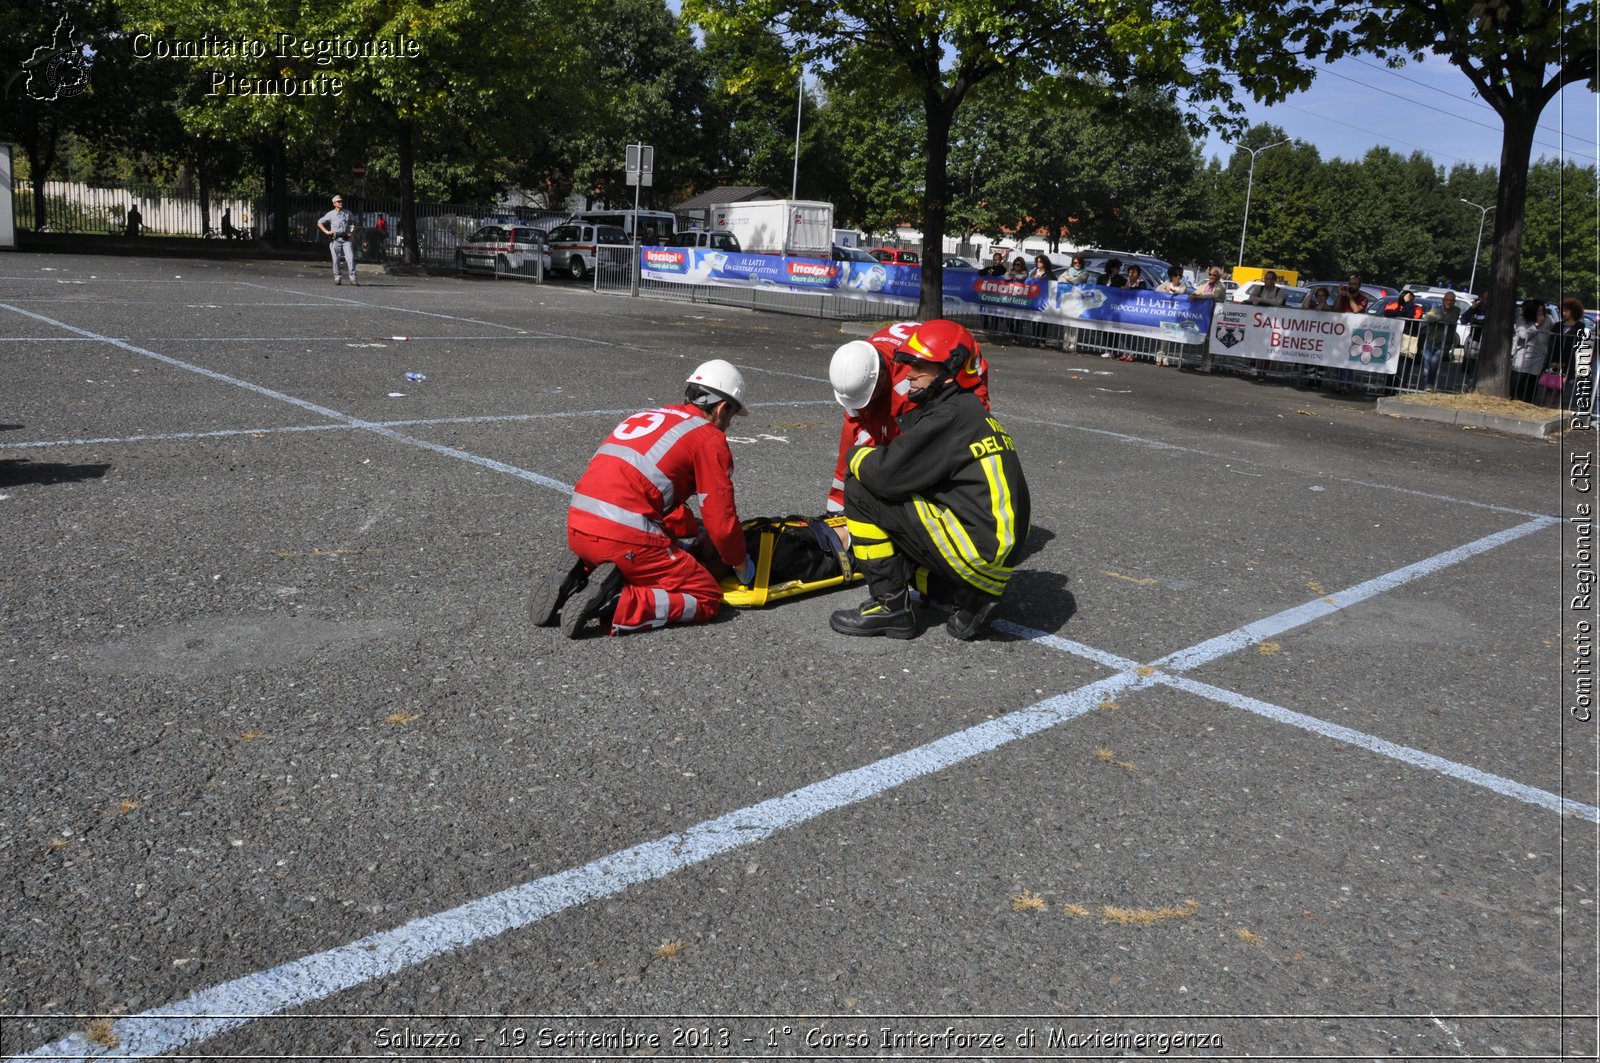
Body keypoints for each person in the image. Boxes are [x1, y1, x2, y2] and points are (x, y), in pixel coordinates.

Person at [830, 322, 1031, 642]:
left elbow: (886, 475)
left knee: (863, 489)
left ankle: (890, 606)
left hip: (977, 550)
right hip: (994, 558)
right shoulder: (967, 412)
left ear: (949, 372)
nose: (909, 374)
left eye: (921, 367)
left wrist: (856, 456)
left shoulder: (947, 418)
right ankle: (967, 597)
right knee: (900, 543)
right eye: (910, 364)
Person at [533, 360, 756, 638]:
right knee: (705, 596)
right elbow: (720, 521)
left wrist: (688, 530)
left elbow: (651, 490)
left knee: (646, 544)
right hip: (622, 535)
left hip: (579, 524)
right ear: (722, 408)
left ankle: (580, 575)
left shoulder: (651, 416)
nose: (728, 426)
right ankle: (615, 603)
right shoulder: (708, 438)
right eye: (731, 417)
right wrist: (740, 563)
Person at [825, 321, 990, 516]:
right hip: (920, 354)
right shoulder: (858, 362)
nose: (867, 406)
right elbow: (852, 434)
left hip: (960, 363)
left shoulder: (910, 377)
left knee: (950, 440)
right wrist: (836, 506)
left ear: (880, 378)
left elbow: (920, 440)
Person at [1510, 299, 1554, 404]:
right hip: (1523, 357)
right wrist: (1537, 324)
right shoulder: (1522, 319)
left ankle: (1527, 404)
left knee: (1531, 387)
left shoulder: (1548, 319)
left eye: (1542, 311)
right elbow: (1524, 335)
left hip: (1538, 357)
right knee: (1517, 383)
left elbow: (1555, 329)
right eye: (1538, 311)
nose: (1541, 314)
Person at [1244, 270, 1287, 379]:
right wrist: (1259, 300)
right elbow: (1250, 299)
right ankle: (1252, 365)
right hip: (1258, 322)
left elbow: (1278, 302)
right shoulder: (1259, 288)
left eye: (1269, 279)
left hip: (1273, 324)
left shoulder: (1279, 291)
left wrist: (1261, 300)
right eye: (1265, 278)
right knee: (1254, 343)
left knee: (1268, 346)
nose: (1266, 281)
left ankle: (1263, 370)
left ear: (1274, 280)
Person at [1419, 290, 1462, 390]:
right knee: (1427, 364)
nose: (1449, 302)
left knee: (1434, 362)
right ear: (1443, 300)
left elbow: (1452, 319)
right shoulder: (1436, 309)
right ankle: (1427, 386)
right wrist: (1439, 318)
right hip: (1430, 340)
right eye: (1447, 300)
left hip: (1444, 343)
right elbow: (1427, 318)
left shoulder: (1456, 310)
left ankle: (1430, 384)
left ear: (1454, 301)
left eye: (1451, 300)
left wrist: (1437, 318)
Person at [1188, 266, 1228, 372]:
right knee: (1205, 340)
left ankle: (1209, 364)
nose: (1211, 276)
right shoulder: (1206, 284)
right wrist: (1194, 294)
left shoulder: (1221, 286)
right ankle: (1203, 363)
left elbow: (1213, 295)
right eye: (1210, 274)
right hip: (1204, 316)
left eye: (1214, 275)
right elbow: (1197, 291)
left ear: (1219, 276)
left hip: (1215, 316)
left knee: (1210, 340)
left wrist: (1197, 296)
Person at [317, 194, 358, 285]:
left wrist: (352, 232)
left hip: (346, 239)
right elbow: (319, 222)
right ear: (334, 204)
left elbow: (356, 223)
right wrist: (327, 232)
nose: (341, 203)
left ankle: (353, 278)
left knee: (350, 258)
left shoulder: (347, 213)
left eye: (341, 201)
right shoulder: (331, 214)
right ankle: (337, 277)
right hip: (335, 239)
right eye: (338, 202)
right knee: (336, 259)